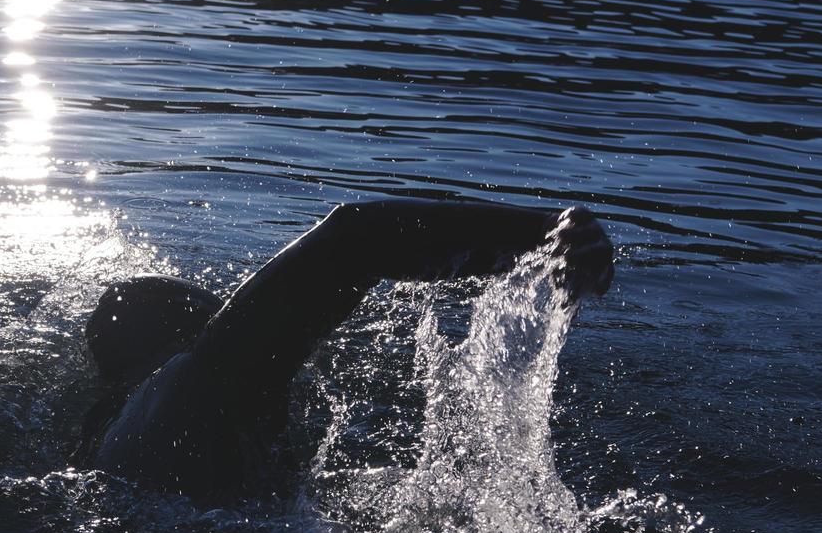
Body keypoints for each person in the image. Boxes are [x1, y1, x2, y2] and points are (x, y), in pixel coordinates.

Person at [78, 199, 614, 499]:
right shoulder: (204, 380)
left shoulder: (108, 444)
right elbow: (355, 236)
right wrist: (549, 236)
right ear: (201, 331)